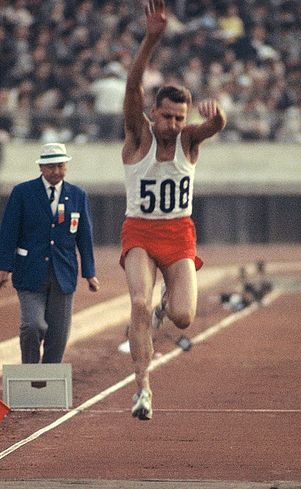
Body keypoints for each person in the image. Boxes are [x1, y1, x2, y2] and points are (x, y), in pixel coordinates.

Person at [120, 0, 226, 420]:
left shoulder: (189, 141)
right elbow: (132, 90)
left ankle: (169, 295)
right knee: (140, 305)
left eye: (180, 117)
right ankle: (142, 388)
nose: (174, 124)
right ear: (153, 115)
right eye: (167, 117)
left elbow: (213, 127)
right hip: (141, 232)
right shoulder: (139, 137)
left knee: (182, 317)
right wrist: (151, 39)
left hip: (179, 233)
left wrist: (217, 118)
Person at [0, 142, 100, 364]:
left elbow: (85, 235)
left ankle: (48, 380)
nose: (56, 171)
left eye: (60, 166)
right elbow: (8, 232)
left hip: (63, 273)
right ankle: (30, 370)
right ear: (41, 168)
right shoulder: (22, 193)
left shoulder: (77, 195)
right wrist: (4, 267)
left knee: (58, 334)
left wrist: (89, 273)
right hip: (29, 271)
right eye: (51, 166)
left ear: (66, 167)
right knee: (32, 326)